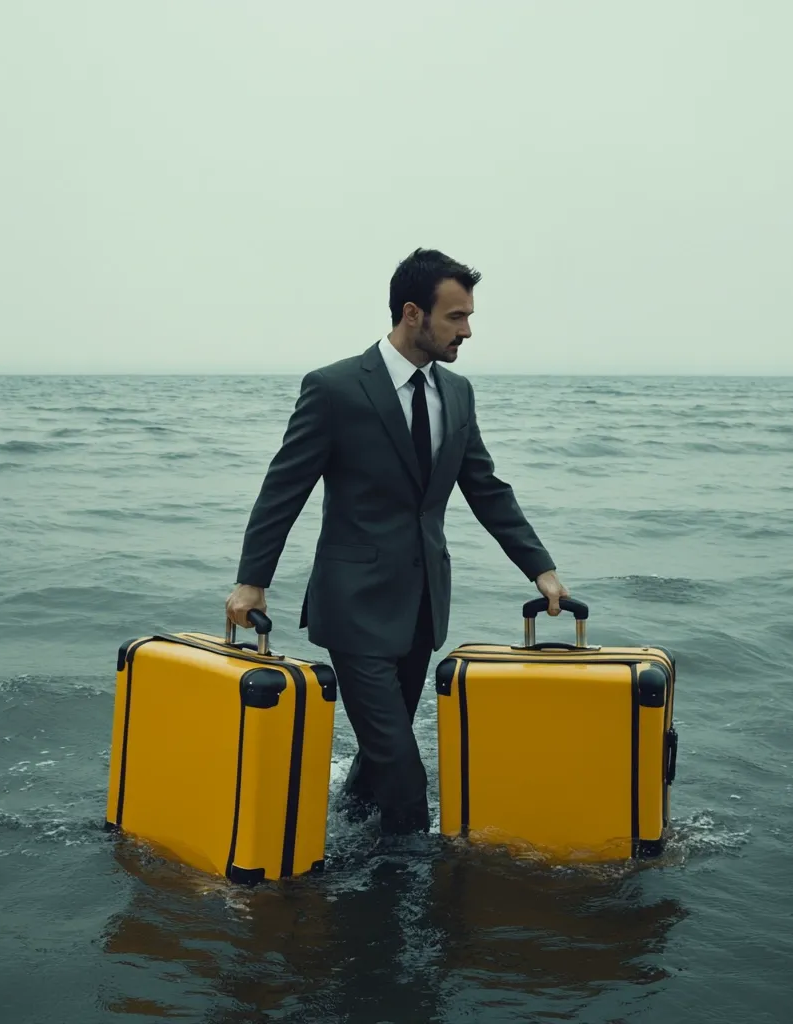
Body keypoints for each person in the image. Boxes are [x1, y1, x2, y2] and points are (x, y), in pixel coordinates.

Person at [226, 248, 568, 836]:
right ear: (413, 313)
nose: (467, 330)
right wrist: (252, 580)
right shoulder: (334, 388)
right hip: (354, 605)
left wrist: (539, 568)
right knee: (408, 783)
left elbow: (485, 487)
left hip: (421, 605)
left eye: (468, 316)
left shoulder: (456, 394)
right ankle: (406, 899)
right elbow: (284, 488)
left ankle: (345, 847)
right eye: (456, 317)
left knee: (385, 753)